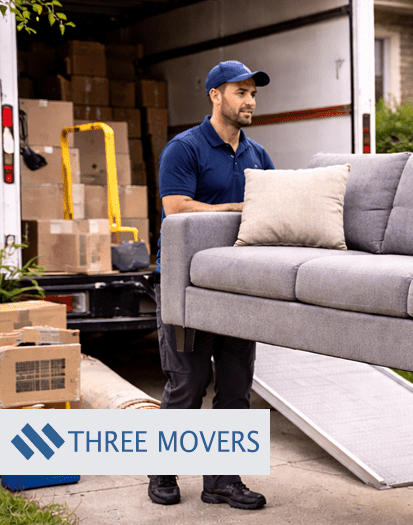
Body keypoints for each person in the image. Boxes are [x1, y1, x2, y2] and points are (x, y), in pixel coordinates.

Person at [147, 60, 273, 510]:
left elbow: (272, 214)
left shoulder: (259, 156)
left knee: (237, 387)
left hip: (238, 287)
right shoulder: (184, 149)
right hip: (185, 285)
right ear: (215, 95)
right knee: (188, 381)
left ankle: (223, 480)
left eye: (253, 94)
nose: (250, 101)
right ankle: (161, 470)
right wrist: (239, 208)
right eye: (241, 93)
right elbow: (176, 208)